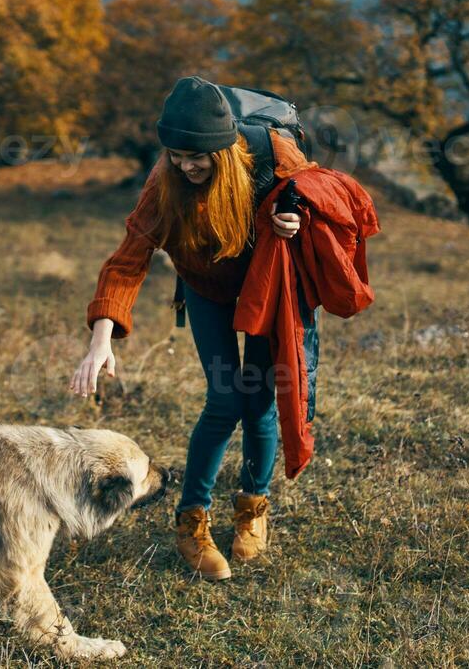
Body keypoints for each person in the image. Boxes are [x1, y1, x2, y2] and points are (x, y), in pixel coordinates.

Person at [69, 75, 315, 581]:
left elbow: (316, 196)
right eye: (176, 155)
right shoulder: (164, 187)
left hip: (267, 289)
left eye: (195, 156)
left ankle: (252, 509)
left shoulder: (271, 153)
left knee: (261, 401)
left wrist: (296, 221)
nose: (185, 165)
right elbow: (126, 261)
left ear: (223, 148)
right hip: (206, 289)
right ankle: (192, 522)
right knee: (226, 400)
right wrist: (100, 340)